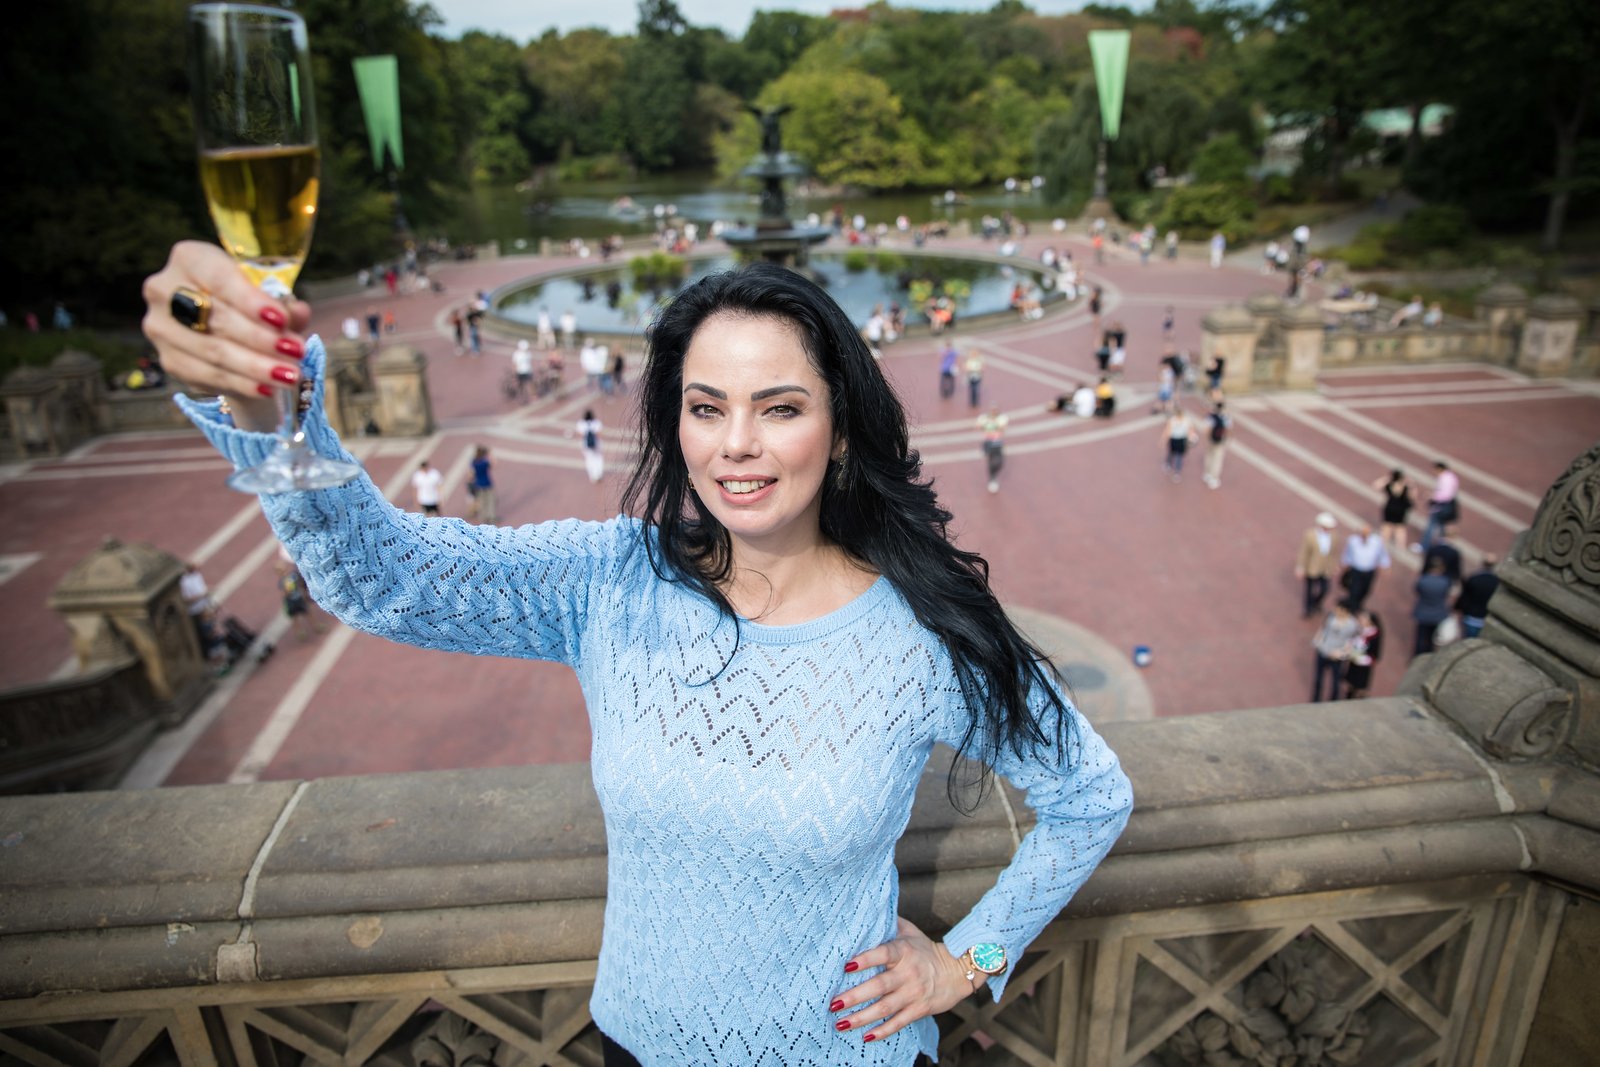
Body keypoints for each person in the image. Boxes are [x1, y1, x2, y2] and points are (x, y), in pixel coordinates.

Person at [142, 247, 1131, 1066]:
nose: (736, 445)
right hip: (636, 1047)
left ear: (838, 431)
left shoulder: (923, 630)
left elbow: (1090, 795)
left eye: (779, 407)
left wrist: (967, 961)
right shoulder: (612, 579)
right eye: (706, 408)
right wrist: (273, 421)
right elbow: (375, 575)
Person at [1310, 599, 1359, 703]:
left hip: (1336, 657)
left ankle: (1333, 701)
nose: (1335, 610)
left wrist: (1341, 654)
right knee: (1318, 679)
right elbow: (1323, 629)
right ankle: (1315, 701)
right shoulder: (1331, 616)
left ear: (1345, 611)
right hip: (1323, 652)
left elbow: (1353, 644)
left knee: (1335, 682)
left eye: (1338, 609)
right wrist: (1317, 642)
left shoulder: (1352, 625)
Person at [1295, 513, 1339, 618]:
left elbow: (1334, 553)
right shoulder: (1310, 535)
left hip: (1325, 568)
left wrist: (1334, 565)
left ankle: (1316, 603)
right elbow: (1304, 551)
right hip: (1312, 567)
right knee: (1309, 590)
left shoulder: (1334, 537)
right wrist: (1300, 566)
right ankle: (1308, 609)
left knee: (1325, 589)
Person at [1339, 524, 1391, 610]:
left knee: (1366, 590)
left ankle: (1358, 604)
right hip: (1356, 571)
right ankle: (1352, 607)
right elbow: (1347, 554)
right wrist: (1344, 565)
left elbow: (1383, 555)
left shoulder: (1376, 542)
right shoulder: (1353, 541)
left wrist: (1386, 566)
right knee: (1354, 590)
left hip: (1369, 571)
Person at [1412, 558, 1454, 657]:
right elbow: (1446, 593)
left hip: (1423, 613)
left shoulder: (1423, 580)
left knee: (1420, 638)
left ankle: (1418, 657)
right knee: (1432, 638)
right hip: (1437, 614)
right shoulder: (1445, 581)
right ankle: (1429, 656)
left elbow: (1417, 591)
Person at [1418, 461, 1460, 552]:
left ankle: (1425, 546)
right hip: (1447, 505)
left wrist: (1432, 496)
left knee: (1431, 526)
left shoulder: (1444, 478)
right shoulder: (1451, 477)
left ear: (1439, 469)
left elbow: (1446, 495)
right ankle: (1442, 546)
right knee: (1442, 527)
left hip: (1441, 505)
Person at [1455, 555, 1500, 638]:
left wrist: (1458, 608)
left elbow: (1464, 597)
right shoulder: (1496, 582)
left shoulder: (1474, 578)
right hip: (1485, 618)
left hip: (1471, 617)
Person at [1343, 609, 1383, 700]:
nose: (1361, 619)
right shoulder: (1359, 630)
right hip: (1354, 662)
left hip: (1363, 666)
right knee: (1350, 685)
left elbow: (1375, 655)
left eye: (1364, 618)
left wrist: (1360, 658)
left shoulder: (1374, 635)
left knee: (1360, 687)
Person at [1373, 469, 1413, 553]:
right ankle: (1401, 546)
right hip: (1401, 510)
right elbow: (1412, 497)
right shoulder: (1405, 487)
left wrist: (1386, 478)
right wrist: (1410, 483)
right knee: (1400, 528)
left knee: (1386, 527)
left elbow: (1376, 485)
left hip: (1389, 508)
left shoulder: (1390, 484)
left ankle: (1383, 545)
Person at [1161, 408, 1198, 483]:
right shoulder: (1183, 420)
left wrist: (1163, 440)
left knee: (1177, 455)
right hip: (1177, 440)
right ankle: (1172, 468)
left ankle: (1174, 469)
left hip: (1179, 440)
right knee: (1174, 454)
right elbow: (1168, 431)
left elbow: (1190, 430)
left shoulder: (1178, 420)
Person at [977, 406, 1008, 494]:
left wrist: (995, 424)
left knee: (1000, 462)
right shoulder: (984, 419)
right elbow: (979, 426)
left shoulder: (1001, 419)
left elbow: (1003, 428)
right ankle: (992, 478)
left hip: (998, 443)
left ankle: (993, 477)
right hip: (988, 443)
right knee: (991, 462)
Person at [1203, 401, 1230, 489]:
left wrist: (1207, 438)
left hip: (1211, 440)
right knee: (1217, 459)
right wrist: (1227, 439)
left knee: (1209, 456)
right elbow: (1227, 430)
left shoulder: (1210, 417)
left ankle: (1207, 473)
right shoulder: (1226, 418)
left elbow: (1207, 429)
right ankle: (1214, 478)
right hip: (1220, 441)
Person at [467, 445, 496, 524]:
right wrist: (490, 454)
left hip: (478, 484)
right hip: (487, 483)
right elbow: (493, 464)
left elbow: (470, 475)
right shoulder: (484, 462)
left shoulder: (474, 462)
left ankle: (482, 518)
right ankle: (491, 517)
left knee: (481, 502)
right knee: (490, 501)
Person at [574, 409, 605, 484]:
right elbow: (599, 434)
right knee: (598, 459)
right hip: (597, 444)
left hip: (586, 445)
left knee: (589, 460)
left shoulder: (580, 423)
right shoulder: (596, 422)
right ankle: (599, 474)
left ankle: (592, 476)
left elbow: (579, 434)